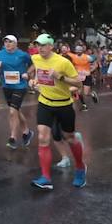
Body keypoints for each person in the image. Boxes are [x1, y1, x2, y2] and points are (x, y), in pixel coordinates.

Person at [29, 33, 86, 191]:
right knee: (42, 136)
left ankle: (80, 168)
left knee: (70, 137)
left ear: (51, 46)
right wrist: (32, 80)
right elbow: (34, 72)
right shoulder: (35, 58)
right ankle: (46, 178)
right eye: (38, 45)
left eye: (43, 45)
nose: (40, 48)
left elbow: (79, 84)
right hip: (45, 103)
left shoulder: (63, 62)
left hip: (64, 105)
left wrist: (60, 77)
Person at [0, 35, 33, 150]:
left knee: (13, 111)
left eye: (10, 42)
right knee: (16, 111)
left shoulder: (22, 55)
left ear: (15, 43)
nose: (7, 44)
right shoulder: (0, 54)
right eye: (5, 42)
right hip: (7, 86)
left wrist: (27, 74)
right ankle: (27, 132)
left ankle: (13, 137)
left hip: (20, 86)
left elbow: (33, 65)